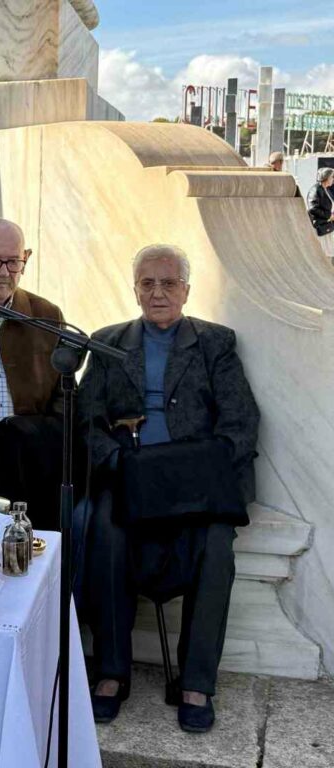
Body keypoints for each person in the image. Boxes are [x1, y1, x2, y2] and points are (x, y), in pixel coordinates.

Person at [78, 244, 259, 733]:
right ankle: (111, 673)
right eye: (147, 284)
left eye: (169, 283)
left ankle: (197, 681)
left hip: (195, 484)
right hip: (131, 478)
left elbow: (242, 422)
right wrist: (117, 460)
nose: (158, 293)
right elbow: (87, 421)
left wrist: (198, 468)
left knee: (216, 546)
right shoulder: (108, 342)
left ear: (186, 289)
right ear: (134, 288)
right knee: (106, 531)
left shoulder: (216, 343)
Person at [0, 218, 65, 528]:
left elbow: (64, 393)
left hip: (27, 458)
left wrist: (43, 433)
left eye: (13, 262)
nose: (4, 273)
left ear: (27, 259)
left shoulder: (45, 315)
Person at [307, 167, 334, 260]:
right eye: (332, 177)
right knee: (324, 254)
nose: (333, 179)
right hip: (321, 226)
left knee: (328, 253)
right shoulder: (316, 190)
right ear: (326, 178)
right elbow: (313, 208)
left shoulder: (324, 189)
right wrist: (329, 216)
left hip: (326, 225)